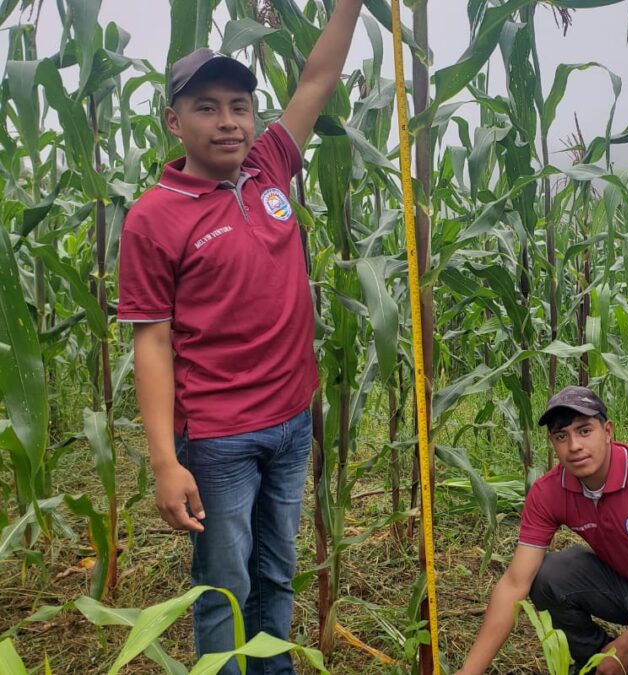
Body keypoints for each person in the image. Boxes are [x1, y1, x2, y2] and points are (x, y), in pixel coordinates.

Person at [117, 4, 366, 672]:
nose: (227, 120)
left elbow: (317, 79)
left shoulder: (268, 167)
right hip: (219, 437)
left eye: (239, 105)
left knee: (276, 572)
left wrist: (351, 5)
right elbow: (152, 343)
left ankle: (272, 667)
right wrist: (166, 461)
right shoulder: (153, 217)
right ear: (174, 121)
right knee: (224, 585)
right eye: (206, 107)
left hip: (290, 423)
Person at [456, 386, 628, 675]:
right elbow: (514, 583)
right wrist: (468, 671)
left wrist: (625, 646)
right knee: (547, 576)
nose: (574, 446)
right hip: (624, 582)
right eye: (562, 436)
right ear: (553, 443)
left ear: (607, 431)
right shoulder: (548, 491)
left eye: (584, 431)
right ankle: (595, 659)